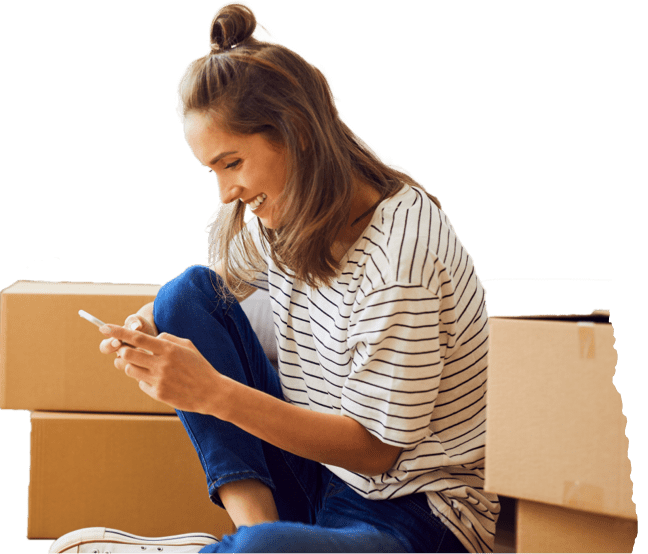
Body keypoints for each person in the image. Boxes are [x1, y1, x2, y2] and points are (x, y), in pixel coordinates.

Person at [49, 2, 500, 553]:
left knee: (269, 552)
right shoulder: (288, 213)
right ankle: (252, 533)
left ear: (297, 133)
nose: (226, 192)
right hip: (323, 479)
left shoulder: (401, 258)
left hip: (415, 515)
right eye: (213, 171)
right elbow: (218, 284)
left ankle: (245, 548)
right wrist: (150, 326)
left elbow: (377, 453)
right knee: (183, 295)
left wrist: (211, 391)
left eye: (232, 163)